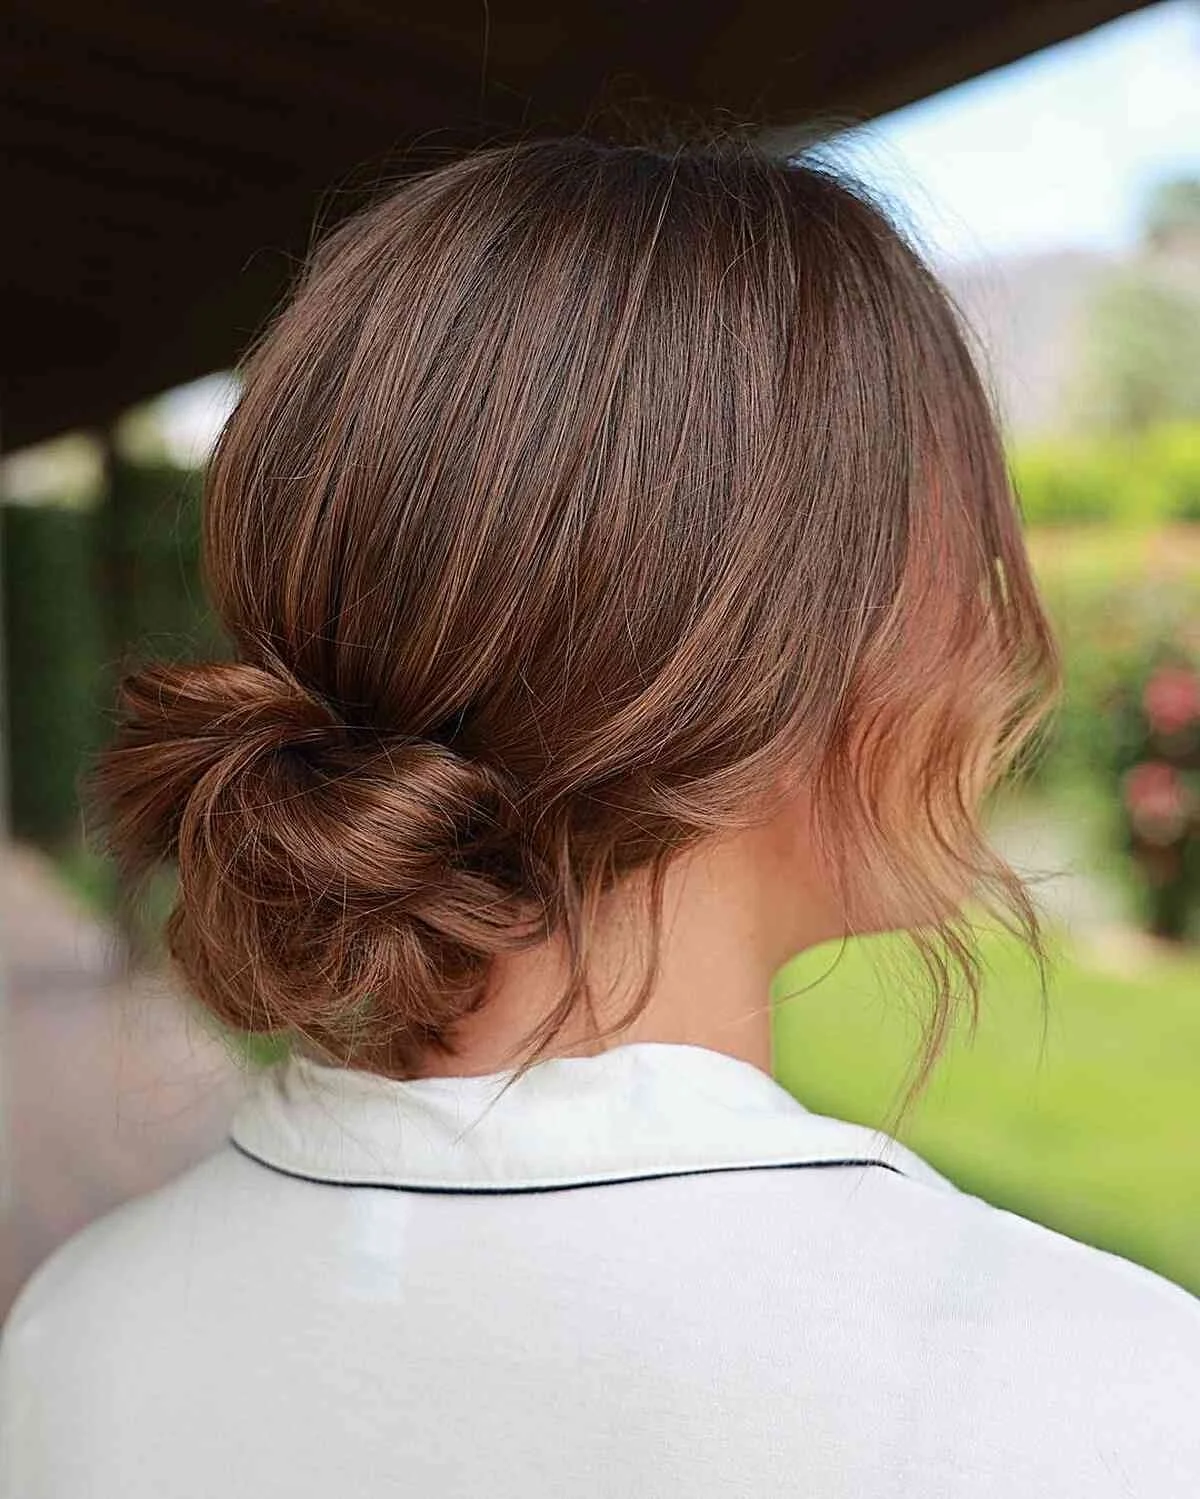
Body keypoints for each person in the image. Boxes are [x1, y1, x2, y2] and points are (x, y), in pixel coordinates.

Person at [1, 135, 1196, 1497]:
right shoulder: (1101, 1402)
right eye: (962, 552)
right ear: (755, 640)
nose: (1000, 642)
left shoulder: (79, 1335)